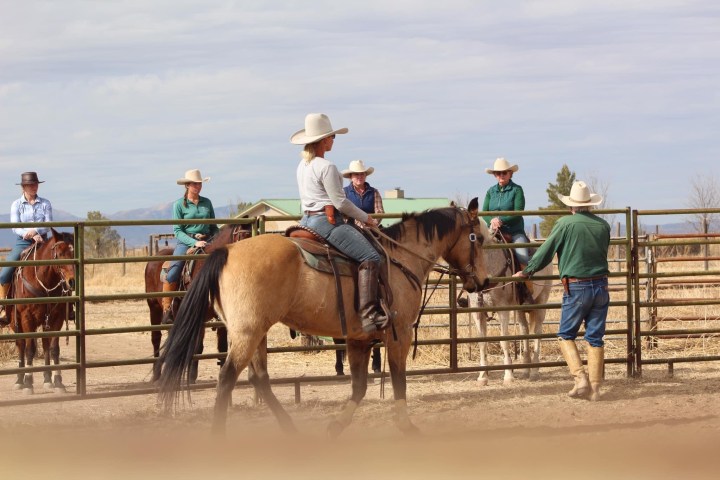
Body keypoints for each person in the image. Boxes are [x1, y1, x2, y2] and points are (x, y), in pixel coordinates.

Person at [513, 180, 610, 401]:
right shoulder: (603, 226)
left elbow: (545, 251)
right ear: (590, 205)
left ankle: (580, 379)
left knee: (565, 335)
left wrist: (527, 271)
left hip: (576, 286)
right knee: (595, 337)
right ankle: (595, 388)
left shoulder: (565, 224)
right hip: (601, 286)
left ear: (571, 206)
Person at [291, 113, 388, 334]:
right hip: (325, 221)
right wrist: (367, 218)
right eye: (332, 137)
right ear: (324, 140)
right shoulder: (327, 166)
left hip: (306, 219)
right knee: (372, 256)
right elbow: (340, 202)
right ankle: (368, 313)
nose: (333, 140)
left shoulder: (302, 166)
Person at [340, 159, 385, 374]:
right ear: (351, 177)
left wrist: (367, 221)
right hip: (350, 233)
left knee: (381, 260)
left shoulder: (373, 193)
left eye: (362, 174)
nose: (359, 177)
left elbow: (379, 213)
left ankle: (378, 298)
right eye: (356, 175)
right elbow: (341, 215)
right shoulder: (344, 193)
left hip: (369, 232)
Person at [161, 169, 219, 324]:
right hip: (186, 241)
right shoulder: (179, 205)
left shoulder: (207, 202)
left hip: (208, 240)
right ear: (187, 185)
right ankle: (167, 309)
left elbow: (213, 226)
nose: (198, 186)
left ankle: (220, 306)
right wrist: (194, 242)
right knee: (173, 272)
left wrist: (217, 238)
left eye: (199, 184)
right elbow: (178, 231)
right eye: (194, 184)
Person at [1, 172, 54, 326]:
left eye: (36, 184)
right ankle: (4, 306)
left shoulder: (45, 203)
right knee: (5, 271)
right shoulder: (16, 204)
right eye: (31, 185)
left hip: (42, 242)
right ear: (24, 187)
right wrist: (29, 234)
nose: (34, 187)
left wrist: (37, 232)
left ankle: (67, 305)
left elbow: (48, 223)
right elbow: (15, 227)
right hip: (23, 242)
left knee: (61, 265)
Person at [482, 157, 534, 303]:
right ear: (494, 175)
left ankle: (526, 291)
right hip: (493, 231)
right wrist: (491, 221)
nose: (501, 176)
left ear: (510, 174)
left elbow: (518, 212)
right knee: (477, 252)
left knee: (522, 256)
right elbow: (484, 212)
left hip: (514, 231)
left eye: (504, 173)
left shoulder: (517, 190)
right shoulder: (490, 192)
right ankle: (477, 293)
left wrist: (502, 220)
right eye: (498, 173)